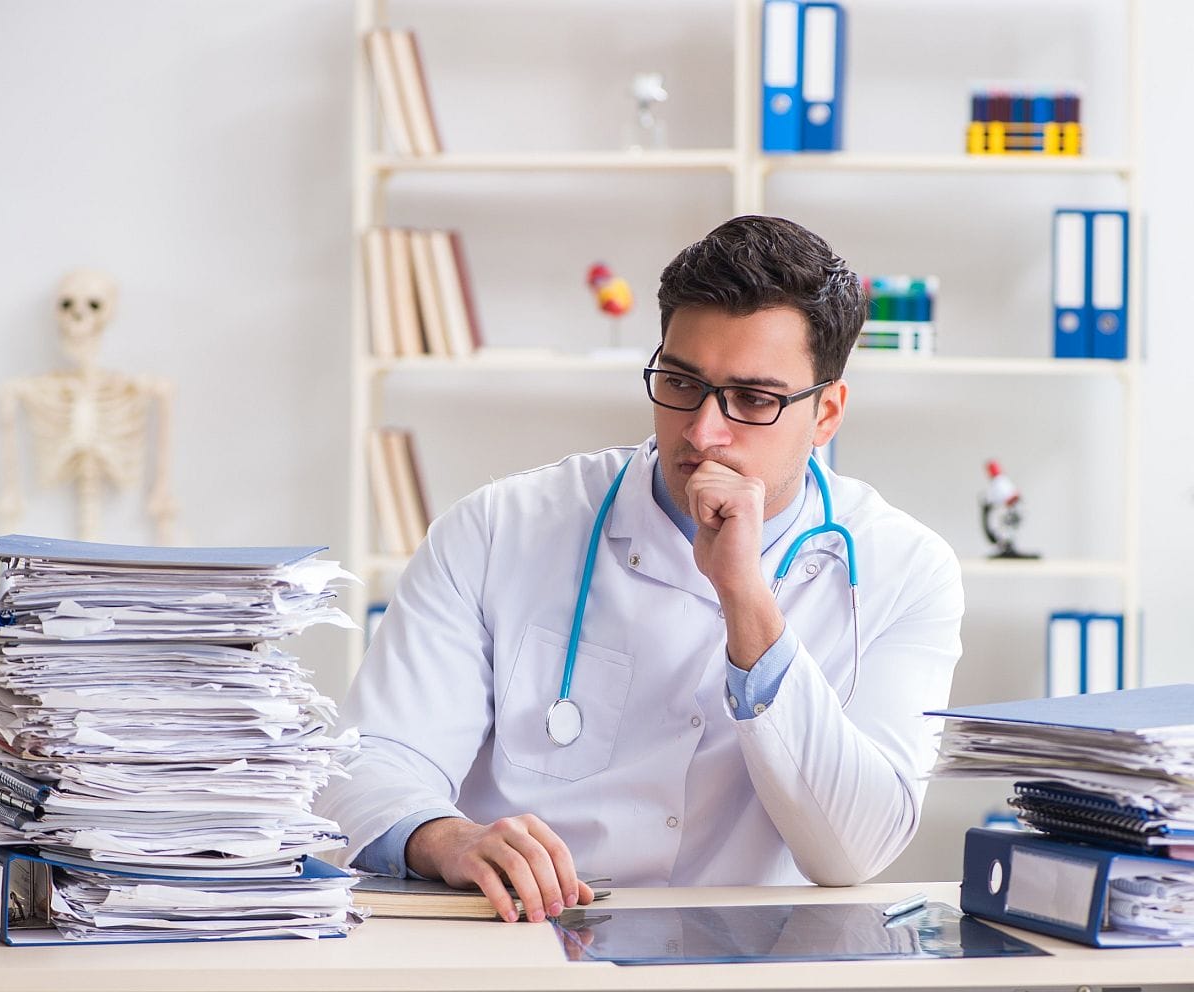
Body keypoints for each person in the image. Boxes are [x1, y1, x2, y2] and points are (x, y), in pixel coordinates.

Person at [318, 215, 964, 923]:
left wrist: (745, 599)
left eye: (753, 400)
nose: (701, 431)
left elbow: (855, 850)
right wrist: (444, 838)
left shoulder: (905, 569)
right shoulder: (502, 527)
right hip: (523, 949)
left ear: (828, 414)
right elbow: (366, 766)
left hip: (750, 966)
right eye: (681, 382)